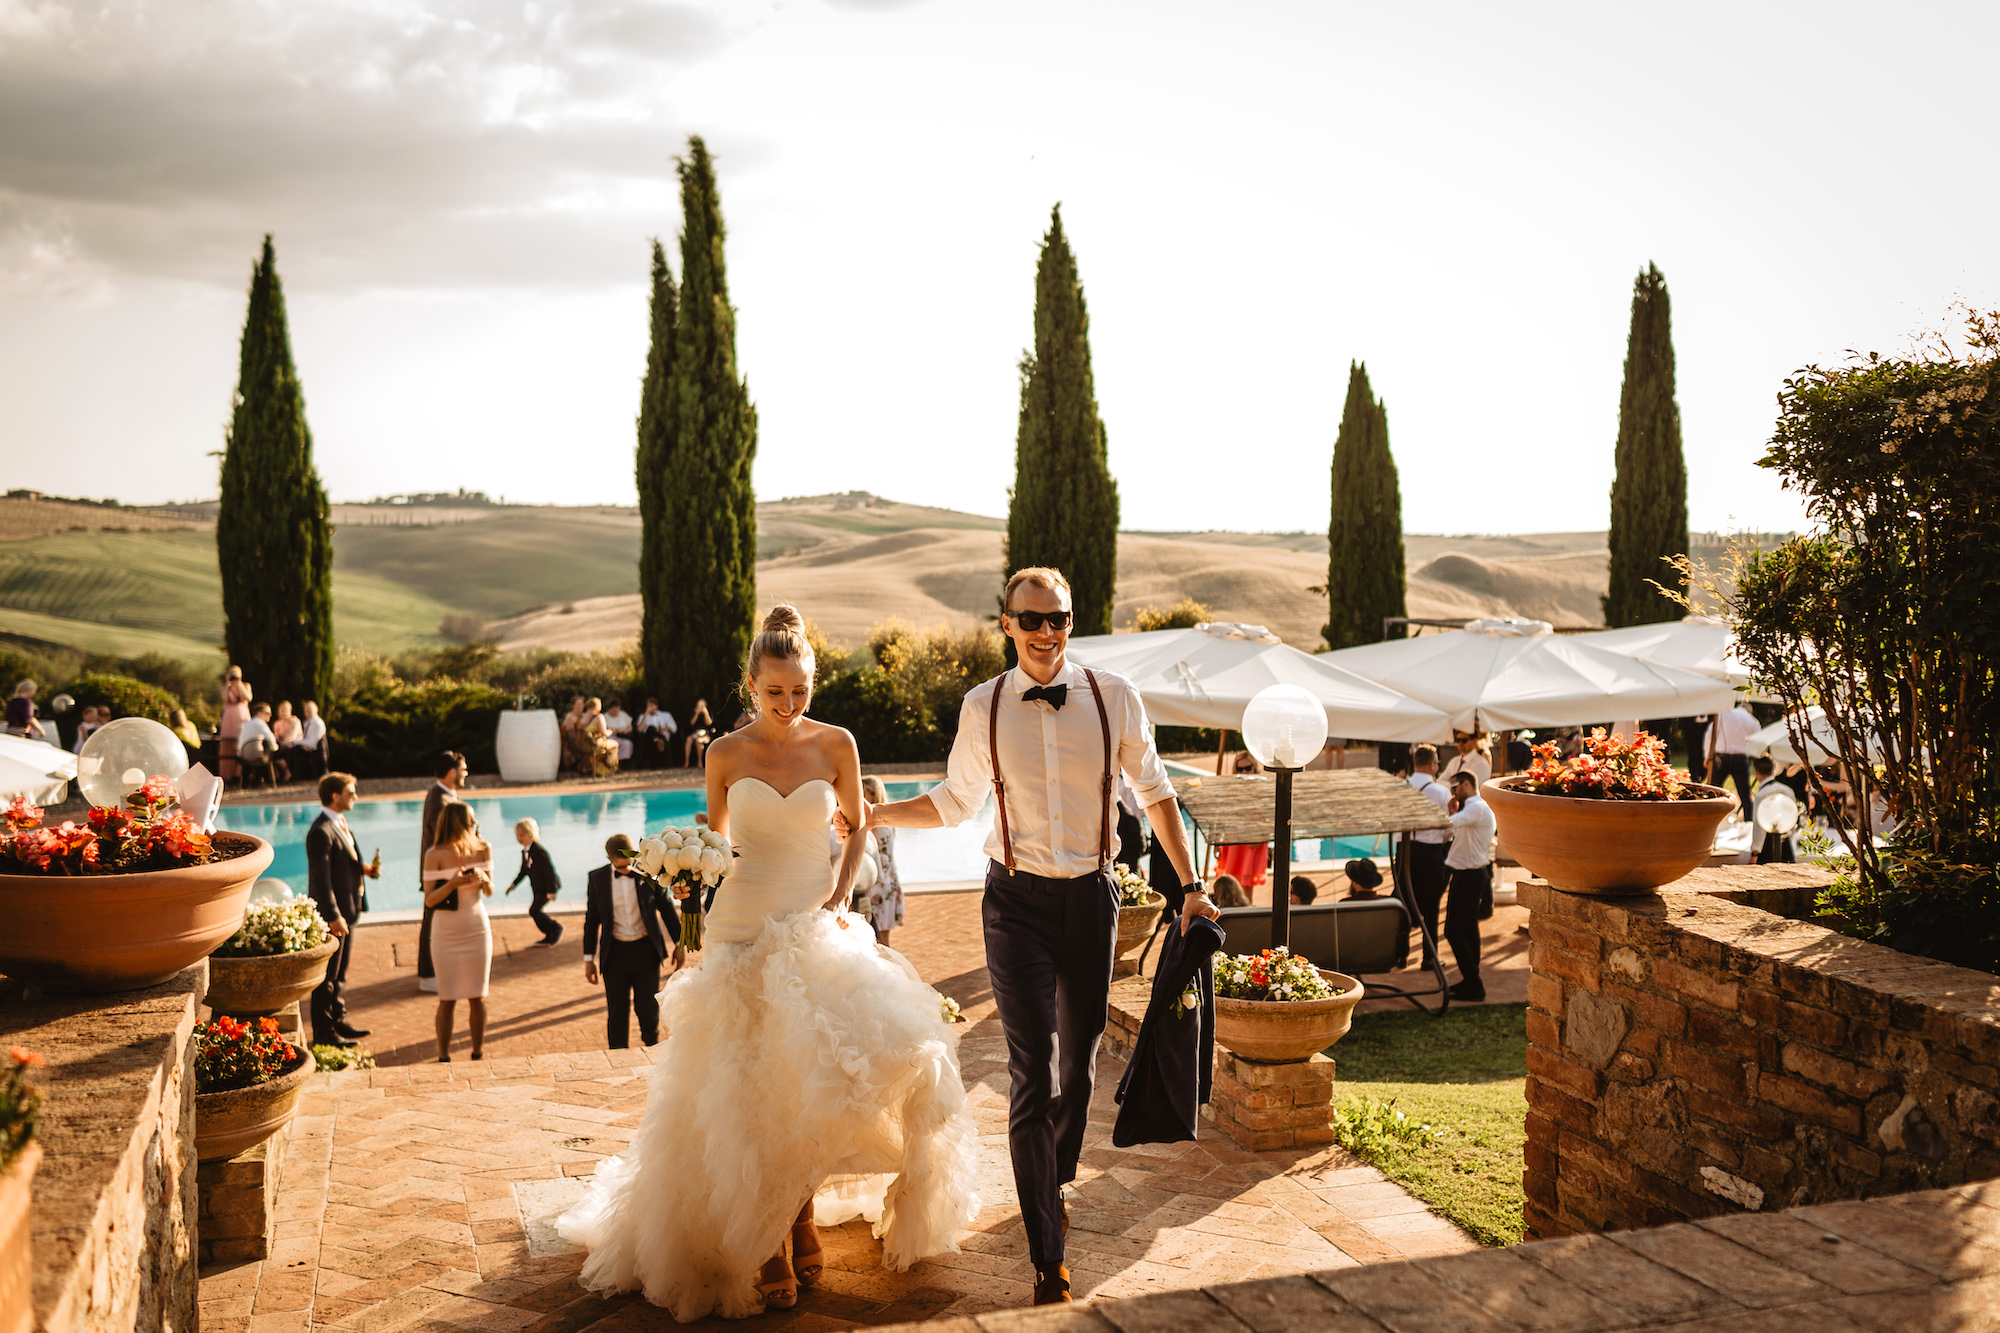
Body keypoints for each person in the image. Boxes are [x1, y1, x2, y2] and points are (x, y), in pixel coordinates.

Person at [558, 604, 979, 1319]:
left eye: (800, 692)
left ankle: (803, 1214)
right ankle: (776, 1239)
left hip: (814, 923)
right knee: (751, 1087)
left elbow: (856, 831)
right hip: (741, 927)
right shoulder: (722, 753)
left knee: (815, 1078)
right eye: (774, 692)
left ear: (812, 682)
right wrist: (690, 891)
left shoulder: (837, 744)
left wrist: (842, 891)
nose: (788, 705)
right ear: (750, 683)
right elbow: (718, 846)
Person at [864, 567, 1212, 1307]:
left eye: (1060, 619)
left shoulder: (1112, 697)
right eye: (1034, 620)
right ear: (1007, 624)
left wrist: (1192, 887)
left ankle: (1051, 1176)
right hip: (1014, 904)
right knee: (1032, 1071)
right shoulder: (982, 706)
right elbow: (956, 800)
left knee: (1078, 1071)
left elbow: (1155, 792)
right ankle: (1046, 1252)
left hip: (1091, 899)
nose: (1049, 633)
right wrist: (878, 815)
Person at [581, 833, 681, 1048]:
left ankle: (652, 1053)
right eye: (622, 867)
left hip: (646, 952)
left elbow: (666, 909)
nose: (628, 870)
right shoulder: (597, 879)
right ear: (610, 860)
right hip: (614, 955)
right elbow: (592, 920)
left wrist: (679, 944)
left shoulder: (649, 874)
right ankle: (617, 1060)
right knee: (617, 1014)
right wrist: (588, 958)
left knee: (648, 1011)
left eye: (630, 864)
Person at [307, 771, 379, 1048]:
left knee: (341, 973)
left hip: (348, 911)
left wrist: (363, 870)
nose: (355, 797)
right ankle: (324, 1034)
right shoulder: (320, 831)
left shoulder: (338, 823)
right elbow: (321, 879)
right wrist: (333, 916)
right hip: (334, 916)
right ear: (335, 796)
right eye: (351, 792)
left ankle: (339, 1020)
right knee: (326, 977)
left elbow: (342, 862)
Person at [422, 802, 494, 1060]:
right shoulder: (434, 854)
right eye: (471, 820)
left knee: (478, 996)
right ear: (459, 823)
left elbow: (490, 891)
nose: (475, 824)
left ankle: (477, 1053)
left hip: (477, 929)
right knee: (447, 998)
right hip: (445, 933)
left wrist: (484, 881)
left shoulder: (484, 848)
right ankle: (443, 1056)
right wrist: (452, 883)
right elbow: (429, 900)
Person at [416, 751, 467, 993]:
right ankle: (429, 976)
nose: (466, 773)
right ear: (452, 772)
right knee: (433, 923)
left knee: (436, 921)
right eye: (463, 769)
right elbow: (447, 840)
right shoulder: (441, 801)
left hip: (441, 871)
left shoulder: (440, 794)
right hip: (439, 872)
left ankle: (435, 973)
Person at [1443, 770, 1495, 1002]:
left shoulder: (1476, 808)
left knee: (1453, 931)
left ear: (1465, 784)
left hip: (1469, 875)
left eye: (1454, 787)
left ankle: (1474, 983)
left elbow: (1448, 824)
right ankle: (1471, 980)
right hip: (1472, 874)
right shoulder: (1474, 809)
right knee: (1468, 928)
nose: (1453, 792)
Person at [1404, 743, 1453, 968]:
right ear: (1433, 765)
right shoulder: (1441, 792)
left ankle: (1400, 954)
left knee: (1403, 901)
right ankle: (1429, 957)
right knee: (1431, 906)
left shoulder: (1400, 786)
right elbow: (1448, 828)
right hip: (1431, 851)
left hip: (1404, 851)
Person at [859, 774, 904, 946]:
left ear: (872, 794)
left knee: (877, 939)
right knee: (883, 937)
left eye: (863, 792)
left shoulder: (874, 821)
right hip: (889, 880)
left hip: (878, 884)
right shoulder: (888, 818)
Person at [507, 817, 564, 946]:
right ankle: (549, 935)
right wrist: (514, 884)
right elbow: (524, 871)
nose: (519, 838)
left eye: (522, 835)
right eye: (517, 835)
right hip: (538, 888)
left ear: (531, 834)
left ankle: (556, 928)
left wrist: (551, 890)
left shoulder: (538, 851)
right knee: (535, 911)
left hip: (546, 888)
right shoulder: (526, 851)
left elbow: (549, 871)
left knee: (534, 911)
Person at [1705, 702, 1760, 818]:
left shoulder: (1723, 714)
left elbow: (1710, 735)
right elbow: (1757, 741)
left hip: (1721, 757)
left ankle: (1709, 817)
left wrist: (1707, 755)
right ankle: (1748, 821)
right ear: (1749, 710)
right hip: (1741, 758)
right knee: (1745, 795)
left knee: (1713, 791)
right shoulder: (1752, 720)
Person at [218, 666, 252, 783]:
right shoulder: (225, 687)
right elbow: (224, 698)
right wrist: (228, 683)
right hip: (229, 717)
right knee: (228, 744)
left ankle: (241, 773)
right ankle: (227, 774)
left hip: (241, 716)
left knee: (241, 742)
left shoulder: (245, 686)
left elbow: (248, 697)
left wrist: (239, 684)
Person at [236, 702, 284, 785]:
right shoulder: (260, 723)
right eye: (267, 713)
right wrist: (275, 749)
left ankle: (258, 780)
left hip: (244, 755)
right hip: (257, 755)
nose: (270, 715)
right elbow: (270, 738)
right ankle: (282, 777)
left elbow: (240, 742)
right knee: (278, 753)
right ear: (259, 713)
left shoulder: (246, 724)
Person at [633, 698, 676, 769]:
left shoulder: (665, 715)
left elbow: (674, 729)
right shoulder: (642, 716)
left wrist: (664, 729)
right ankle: (657, 740)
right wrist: (646, 714)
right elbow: (639, 729)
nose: (650, 708)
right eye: (648, 706)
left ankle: (657, 739)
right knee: (651, 729)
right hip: (647, 739)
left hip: (662, 736)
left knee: (652, 731)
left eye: (651, 706)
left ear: (656, 706)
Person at [581, 697, 619, 777]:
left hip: (583, 745)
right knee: (615, 744)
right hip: (595, 744)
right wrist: (611, 731)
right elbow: (604, 732)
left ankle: (597, 768)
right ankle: (610, 768)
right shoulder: (599, 717)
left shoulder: (583, 716)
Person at [560, 696, 590, 772]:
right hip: (570, 743)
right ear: (573, 706)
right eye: (578, 704)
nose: (580, 706)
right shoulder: (570, 717)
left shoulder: (584, 716)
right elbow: (571, 736)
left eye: (582, 704)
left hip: (582, 740)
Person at [682, 696, 714, 768]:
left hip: (704, 733)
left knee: (698, 741)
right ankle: (687, 761)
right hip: (694, 733)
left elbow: (709, 723)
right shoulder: (693, 712)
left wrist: (705, 713)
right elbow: (691, 723)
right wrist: (697, 713)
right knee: (689, 739)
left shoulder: (707, 713)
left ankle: (699, 761)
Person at [602, 698, 635, 765]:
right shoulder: (605, 716)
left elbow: (630, 726)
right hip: (610, 736)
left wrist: (625, 731)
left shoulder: (623, 715)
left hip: (622, 736)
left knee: (627, 744)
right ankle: (612, 762)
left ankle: (622, 762)